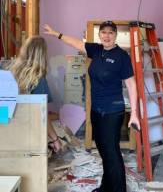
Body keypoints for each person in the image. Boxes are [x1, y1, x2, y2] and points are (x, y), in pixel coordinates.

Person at [44, 21, 140, 192]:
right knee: (104, 151)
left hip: (112, 111)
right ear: (99, 35)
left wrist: (134, 114)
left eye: (111, 32)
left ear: (115, 35)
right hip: (96, 110)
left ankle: (119, 189)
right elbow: (77, 43)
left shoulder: (121, 56)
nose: (107, 36)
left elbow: (132, 85)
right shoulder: (96, 50)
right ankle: (106, 187)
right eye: (103, 32)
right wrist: (56, 33)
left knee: (112, 152)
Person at [9, 36, 62, 153]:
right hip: (26, 131)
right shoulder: (38, 79)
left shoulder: (11, 70)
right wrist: (55, 139)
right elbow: (42, 115)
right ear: (42, 54)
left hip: (7, 125)